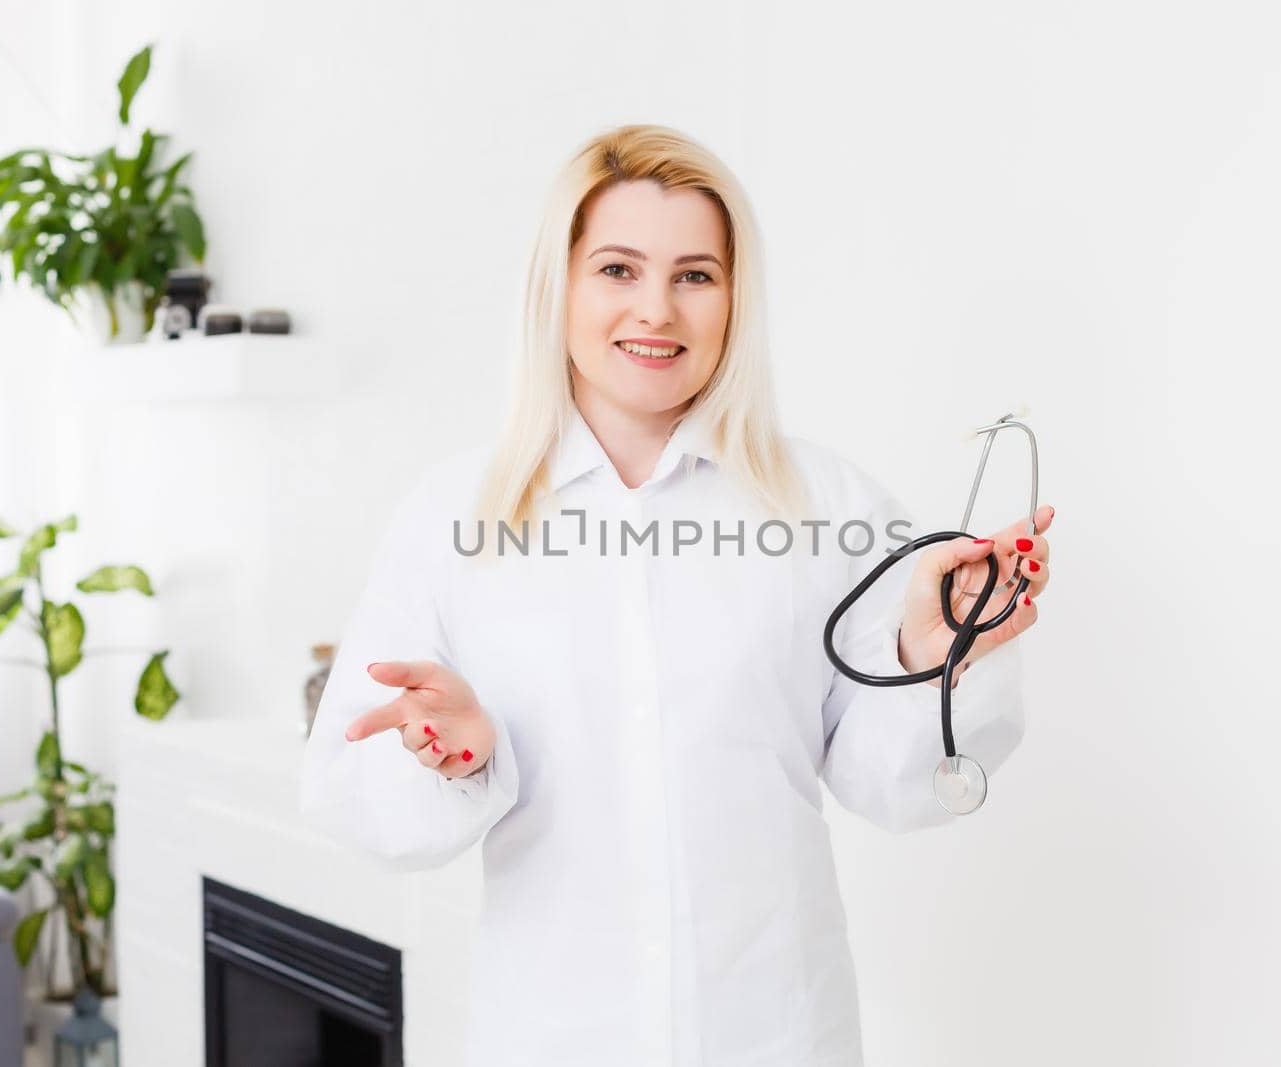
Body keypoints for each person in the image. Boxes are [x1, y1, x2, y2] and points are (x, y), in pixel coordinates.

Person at [299, 123, 1055, 1066]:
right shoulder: (452, 516)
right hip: (553, 1036)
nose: (656, 310)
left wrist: (934, 647)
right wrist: (451, 758)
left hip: (776, 1032)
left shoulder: (828, 506)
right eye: (618, 269)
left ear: (736, 298)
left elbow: (894, 786)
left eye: (695, 275)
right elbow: (351, 796)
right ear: (560, 285)